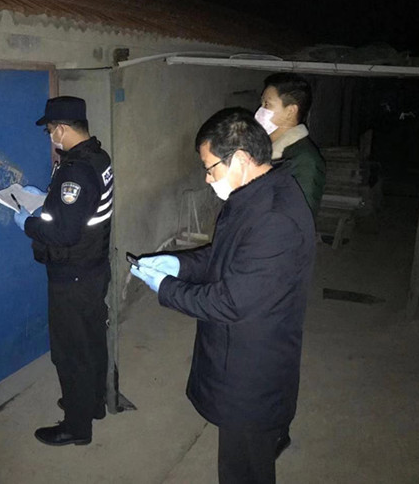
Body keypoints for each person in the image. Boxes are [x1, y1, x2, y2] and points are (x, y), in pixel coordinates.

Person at [130, 108, 315, 483]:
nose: (207, 177)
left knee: (243, 469)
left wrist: (166, 288)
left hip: (253, 373)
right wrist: (179, 264)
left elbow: (230, 303)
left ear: (242, 160)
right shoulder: (255, 195)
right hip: (238, 359)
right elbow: (224, 255)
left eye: (211, 167)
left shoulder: (275, 218)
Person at [13, 96, 114, 446]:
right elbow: (78, 212)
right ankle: (92, 403)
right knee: (91, 341)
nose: (50, 136)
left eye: (50, 130)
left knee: (71, 352)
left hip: (73, 275)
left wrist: (28, 222)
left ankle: (76, 425)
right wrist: (45, 201)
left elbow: (64, 233)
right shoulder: (97, 157)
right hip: (93, 267)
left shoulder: (76, 171)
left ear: (61, 129)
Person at [255, 72, 326, 219]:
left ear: (290, 111)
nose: (259, 111)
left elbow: (300, 218)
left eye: (267, 104)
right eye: (261, 104)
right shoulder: (264, 149)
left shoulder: (305, 160)